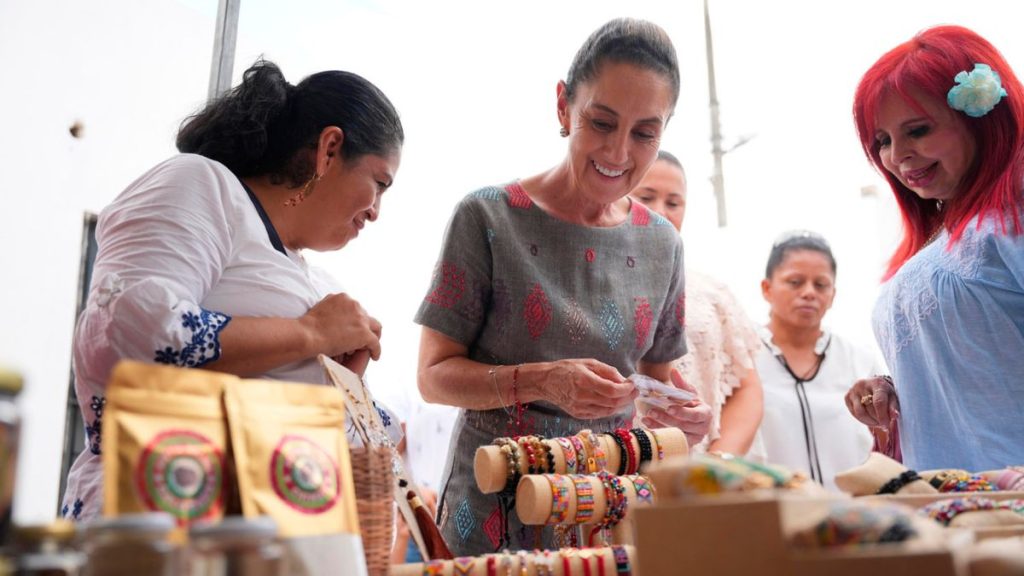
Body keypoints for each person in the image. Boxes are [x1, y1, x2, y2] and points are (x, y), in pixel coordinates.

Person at [414, 18, 712, 555]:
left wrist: (681, 411)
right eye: (601, 123)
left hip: (607, 511)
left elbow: (658, 377)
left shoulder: (661, 243)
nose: (620, 152)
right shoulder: (488, 216)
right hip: (491, 510)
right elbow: (433, 378)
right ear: (562, 107)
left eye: (645, 133)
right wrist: (542, 381)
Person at [61, 59, 405, 522]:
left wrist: (343, 387)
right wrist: (309, 335)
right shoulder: (202, 185)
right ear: (329, 149)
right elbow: (127, 328)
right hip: (156, 522)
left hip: (260, 539)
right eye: (379, 183)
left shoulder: (312, 278)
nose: (376, 212)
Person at [845, 25, 1024, 472]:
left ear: (981, 116)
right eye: (882, 140)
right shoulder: (943, 234)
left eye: (918, 130)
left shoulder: (1012, 216)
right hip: (955, 504)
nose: (897, 155)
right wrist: (892, 386)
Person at [629, 151, 763, 455]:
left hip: (698, 475)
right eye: (646, 197)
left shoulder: (712, 293)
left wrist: (719, 464)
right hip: (605, 475)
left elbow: (746, 386)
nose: (661, 212)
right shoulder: (581, 284)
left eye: (673, 203)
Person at [753, 231, 884, 492]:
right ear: (767, 289)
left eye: (821, 284)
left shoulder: (860, 360)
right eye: (795, 282)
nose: (809, 293)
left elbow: (885, 440)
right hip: (768, 517)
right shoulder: (742, 356)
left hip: (851, 518)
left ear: (833, 294)